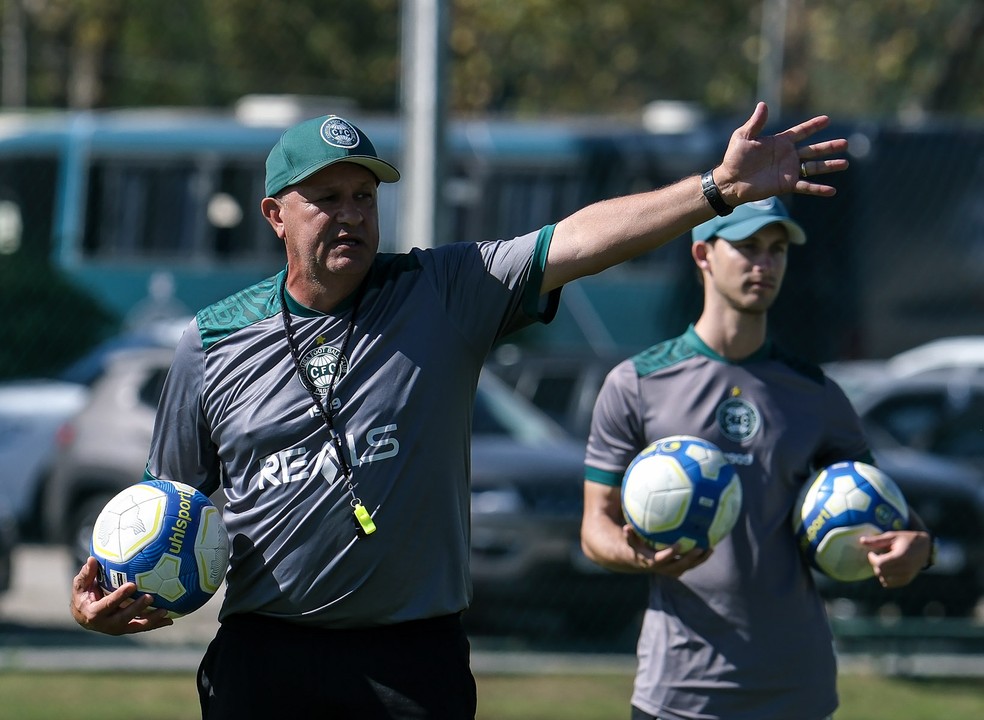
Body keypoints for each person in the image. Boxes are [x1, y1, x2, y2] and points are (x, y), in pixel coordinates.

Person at [71, 103, 851, 719]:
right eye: (327, 198)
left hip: (411, 664)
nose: (353, 214)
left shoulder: (445, 291)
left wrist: (713, 190)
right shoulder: (211, 341)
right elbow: (162, 510)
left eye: (365, 196)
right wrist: (104, 594)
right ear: (276, 215)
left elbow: (577, 240)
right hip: (264, 659)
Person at [579, 196, 935, 720]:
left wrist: (916, 550)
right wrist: (637, 556)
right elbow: (594, 527)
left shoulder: (817, 393)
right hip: (680, 693)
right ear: (703, 254)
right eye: (747, 247)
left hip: (797, 690)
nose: (765, 264)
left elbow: (895, 519)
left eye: (776, 250)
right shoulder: (636, 385)